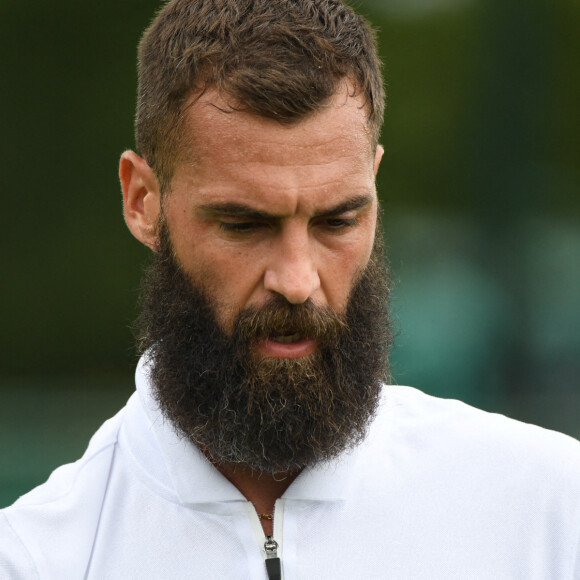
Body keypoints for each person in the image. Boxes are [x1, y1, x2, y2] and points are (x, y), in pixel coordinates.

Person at [1, 0, 579, 577]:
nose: (299, 282)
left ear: (373, 186)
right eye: (244, 225)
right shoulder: (38, 558)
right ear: (143, 202)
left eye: (338, 221)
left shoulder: (550, 511)